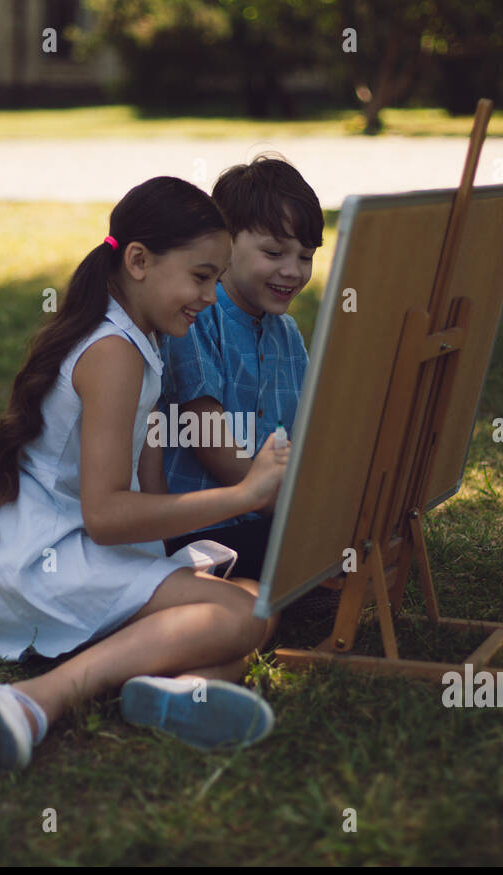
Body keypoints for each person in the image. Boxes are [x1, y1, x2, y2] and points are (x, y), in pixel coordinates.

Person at [0, 176, 291, 771]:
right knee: (248, 614)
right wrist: (244, 494)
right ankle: (36, 700)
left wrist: (171, 569)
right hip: (34, 570)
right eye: (200, 276)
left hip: (55, 551)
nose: (210, 296)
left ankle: (180, 686)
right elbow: (107, 518)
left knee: (257, 599)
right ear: (138, 261)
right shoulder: (114, 354)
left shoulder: (139, 339)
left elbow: (144, 499)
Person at [157, 156, 326, 584]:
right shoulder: (195, 317)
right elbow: (206, 436)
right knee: (310, 545)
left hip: (256, 515)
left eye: (305, 256)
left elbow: (302, 437)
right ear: (226, 245)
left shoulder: (286, 334)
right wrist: (288, 506)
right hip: (195, 531)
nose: (293, 271)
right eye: (274, 252)